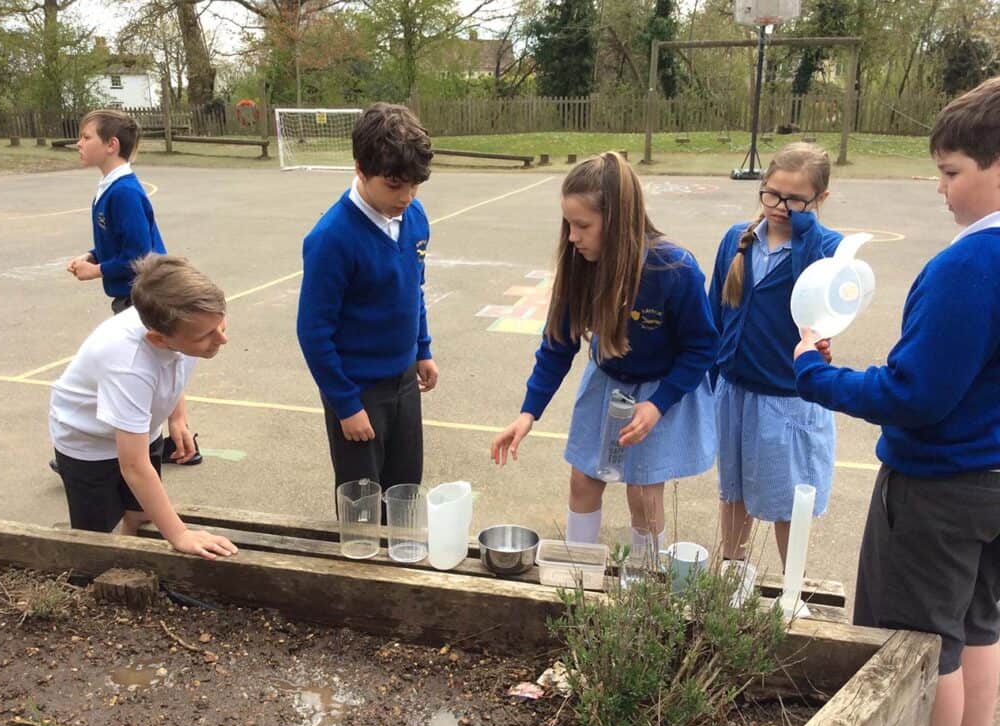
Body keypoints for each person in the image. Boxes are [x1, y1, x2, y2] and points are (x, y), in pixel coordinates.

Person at [793, 77, 1000, 726]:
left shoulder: (971, 263)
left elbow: (916, 394)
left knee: (922, 645)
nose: (940, 188)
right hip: (993, 485)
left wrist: (816, 374)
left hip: (939, 490)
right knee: (979, 625)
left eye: (952, 172)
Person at [490, 151, 717, 551]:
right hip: (608, 383)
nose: (573, 236)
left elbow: (701, 347)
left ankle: (645, 591)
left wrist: (659, 404)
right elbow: (557, 345)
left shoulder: (674, 269)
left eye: (582, 225)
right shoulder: (580, 263)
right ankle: (579, 571)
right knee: (583, 479)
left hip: (658, 389)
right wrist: (528, 413)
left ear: (616, 222)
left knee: (644, 495)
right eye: (569, 224)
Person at [49, 255, 237, 561]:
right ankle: (95, 581)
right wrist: (180, 535)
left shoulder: (186, 329)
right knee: (94, 537)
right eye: (207, 335)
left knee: (140, 513)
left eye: (221, 324)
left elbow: (171, 370)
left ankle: (135, 565)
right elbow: (134, 466)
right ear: (158, 339)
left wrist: (177, 418)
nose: (222, 338)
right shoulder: (128, 363)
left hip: (139, 427)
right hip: (89, 443)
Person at [296, 103, 437, 505]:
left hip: (405, 380)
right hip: (358, 392)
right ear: (360, 168)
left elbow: (414, 288)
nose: (407, 197)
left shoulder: (415, 216)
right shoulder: (331, 238)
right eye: (394, 185)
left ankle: (399, 566)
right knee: (363, 500)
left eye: (414, 185)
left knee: (406, 490)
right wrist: (346, 406)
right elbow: (313, 332)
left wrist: (422, 349)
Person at [708, 142, 841, 567]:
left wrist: (804, 232)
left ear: (820, 199)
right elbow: (715, 311)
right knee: (734, 491)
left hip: (787, 397)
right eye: (772, 194)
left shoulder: (827, 249)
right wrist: (710, 375)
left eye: (796, 200)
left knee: (790, 499)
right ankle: (733, 573)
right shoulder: (737, 239)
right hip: (735, 388)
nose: (780, 207)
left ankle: (792, 584)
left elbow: (830, 315)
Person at [63, 108, 201, 467]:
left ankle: (161, 442)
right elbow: (119, 242)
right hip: (134, 294)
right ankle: (168, 438)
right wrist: (92, 255)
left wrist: (96, 272)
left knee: (148, 369)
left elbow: (140, 254)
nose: (78, 143)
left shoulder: (123, 192)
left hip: (143, 296)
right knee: (149, 368)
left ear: (111, 145)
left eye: (86, 137)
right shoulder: (109, 187)